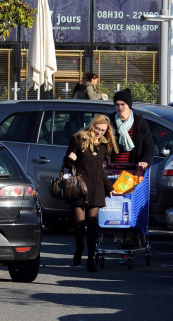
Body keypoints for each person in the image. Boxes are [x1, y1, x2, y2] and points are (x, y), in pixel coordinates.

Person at [64, 114, 116, 272]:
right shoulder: (78, 139)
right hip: (79, 188)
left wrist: (110, 187)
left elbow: (101, 169)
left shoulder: (103, 145)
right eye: (97, 129)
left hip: (96, 188)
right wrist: (70, 159)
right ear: (92, 125)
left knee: (92, 226)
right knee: (79, 225)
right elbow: (66, 163)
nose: (99, 133)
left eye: (103, 131)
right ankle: (79, 247)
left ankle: (91, 260)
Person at [107, 89, 154, 170]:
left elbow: (149, 147)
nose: (120, 107)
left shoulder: (139, 123)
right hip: (112, 170)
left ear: (129, 105)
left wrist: (145, 161)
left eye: (123, 104)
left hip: (133, 171)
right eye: (117, 104)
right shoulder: (109, 121)